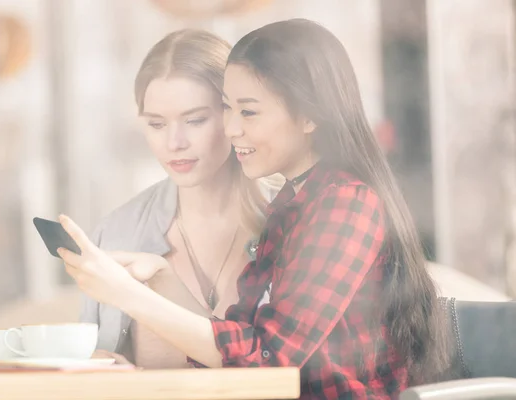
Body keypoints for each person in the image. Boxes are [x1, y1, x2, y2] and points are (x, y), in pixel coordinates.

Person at [60, 19, 450, 399]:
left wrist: (129, 296)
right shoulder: (294, 204)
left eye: (247, 112)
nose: (232, 129)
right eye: (228, 109)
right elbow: (235, 342)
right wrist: (161, 276)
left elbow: (268, 361)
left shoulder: (344, 204)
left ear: (310, 115)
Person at [79, 29, 279, 369]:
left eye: (195, 120)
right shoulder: (116, 232)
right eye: (156, 124)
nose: (175, 143)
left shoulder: (296, 218)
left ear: (235, 114)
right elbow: (91, 365)